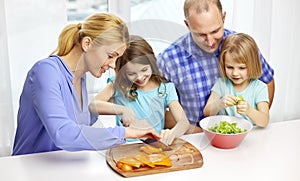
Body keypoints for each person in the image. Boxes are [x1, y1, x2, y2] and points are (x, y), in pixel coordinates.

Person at [12, 13, 160, 156]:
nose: (113, 65)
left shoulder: (81, 78)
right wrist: (126, 132)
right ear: (87, 44)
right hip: (30, 167)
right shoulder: (46, 71)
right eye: (110, 56)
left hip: (61, 166)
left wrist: (120, 107)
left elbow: (81, 121)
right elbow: (63, 133)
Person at [157, 0, 274, 132]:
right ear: (187, 25)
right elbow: (157, 110)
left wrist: (253, 119)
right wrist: (198, 133)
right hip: (193, 137)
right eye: (201, 34)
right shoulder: (168, 59)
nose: (210, 42)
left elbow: (267, 80)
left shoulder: (241, 46)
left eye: (215, 31)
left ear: (223, 18)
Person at [89, 35, 190, 145]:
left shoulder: (165, 88)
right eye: (131, 73)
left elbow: (184, 123)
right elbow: (93, 105)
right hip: (124, 146)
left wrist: (172, 134)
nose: (140, 77)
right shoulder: (118, 85)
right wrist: (123, 110)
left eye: (144, 70)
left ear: (152, 63)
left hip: (152, 148)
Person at [203, 33, 269, 127]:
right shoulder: (221, 84)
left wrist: (249, 111)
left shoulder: (259, 87)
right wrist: (220, 104)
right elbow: (206, 112)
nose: (235, 73)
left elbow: (264, 121)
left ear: (253, 65)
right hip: (225, 137)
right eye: (230, 67)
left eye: (242, 68)